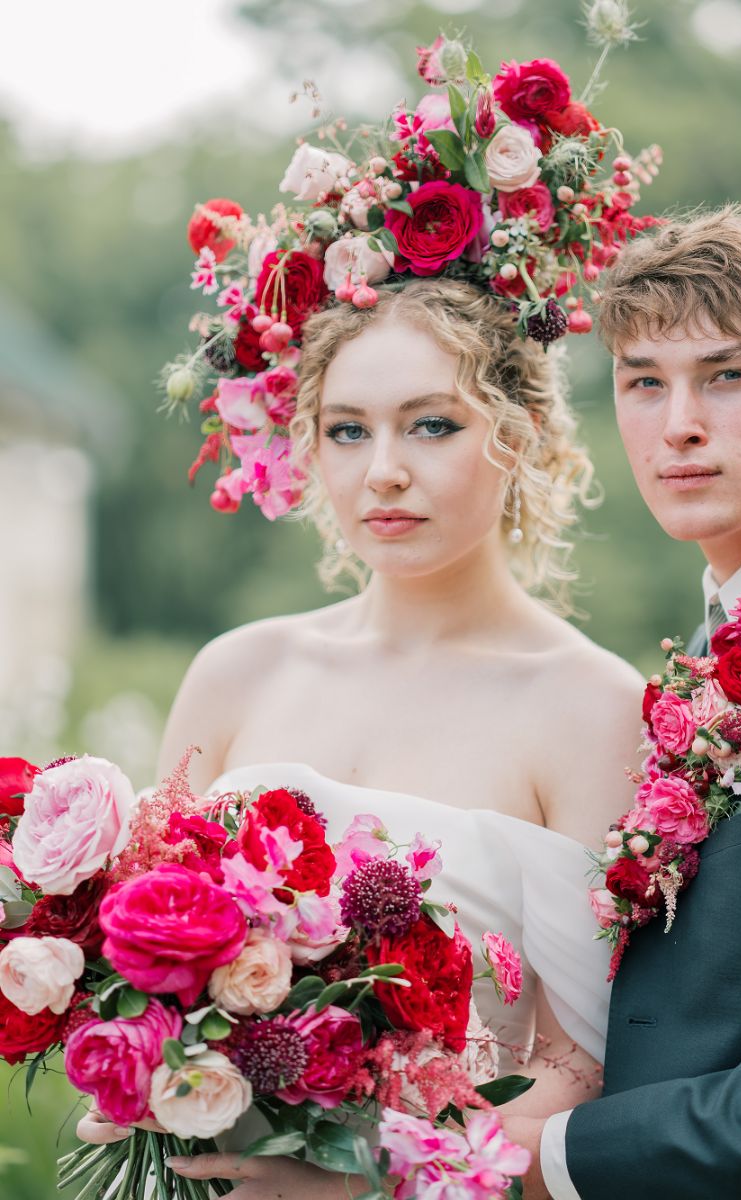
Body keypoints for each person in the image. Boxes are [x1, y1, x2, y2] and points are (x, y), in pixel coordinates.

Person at [77, 278, 644, 1196]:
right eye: (348, 430)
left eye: (431, 425)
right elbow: (144, 968)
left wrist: (369, 1179)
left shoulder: (595, 708)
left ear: (521, 434)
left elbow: (588, 1069)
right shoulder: (233, 674)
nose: (383, 469)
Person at [501, 206, 741, 1199]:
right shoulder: (717, 641)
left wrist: (540, 1163)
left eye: (729, 375)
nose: (678, 422)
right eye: (644, 383)